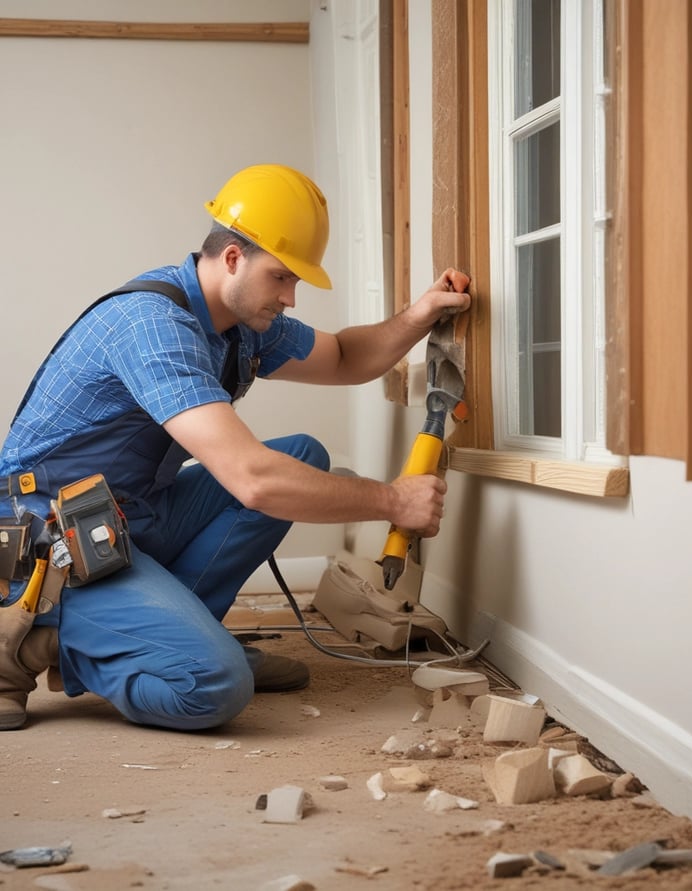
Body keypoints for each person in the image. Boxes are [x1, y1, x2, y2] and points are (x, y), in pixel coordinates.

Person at [0, 164, 470, 732]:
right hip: (55, 540)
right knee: (212, 687)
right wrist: (393, 502)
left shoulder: (241, 323)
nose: (291, 297)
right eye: (281, 277)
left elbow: (346, 358)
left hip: (128, 512)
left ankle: (183, 632)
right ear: (231, 258)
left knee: (302, 455)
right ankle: (34, 645)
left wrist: (421, 314)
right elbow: (254, 480)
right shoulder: (154, 326)